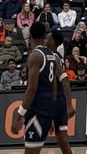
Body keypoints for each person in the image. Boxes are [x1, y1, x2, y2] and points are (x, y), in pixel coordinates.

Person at [18, 21, 71, 151]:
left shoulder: (50, 56)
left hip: (48, 102)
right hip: (51, 102)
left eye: (49, 37)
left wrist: (69, 104)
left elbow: (63, 79)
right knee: (61, 139)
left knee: (62, 139)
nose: (46, 39)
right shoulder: (49, 55)